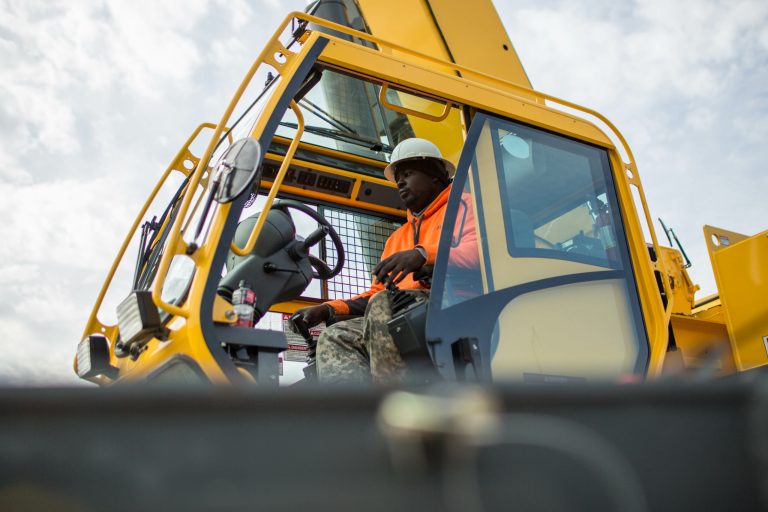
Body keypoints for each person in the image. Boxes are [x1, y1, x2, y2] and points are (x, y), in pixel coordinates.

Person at [294, 137, 455, 384]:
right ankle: (359, 407)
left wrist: (423, 255)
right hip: (404, 311)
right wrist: (329, 309)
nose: (400, 182)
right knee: (337, 335)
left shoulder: (464, 207)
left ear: (435, 176)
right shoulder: (396, 239)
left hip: (453, 304)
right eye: (398, 177)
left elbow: (480, 252)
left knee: (384, 305)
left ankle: (393, 400)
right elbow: (376, 293)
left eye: (408, 174)